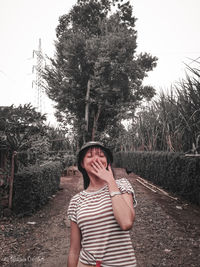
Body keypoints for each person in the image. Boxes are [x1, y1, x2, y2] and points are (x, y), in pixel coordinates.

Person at [67, 141, 137, 267]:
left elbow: (126, 222)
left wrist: (110, 180)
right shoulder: (76, 201)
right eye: (89, 156)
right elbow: (74, 250)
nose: (96, 159)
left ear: (107, 162)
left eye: (101, 155)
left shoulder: (122, 185)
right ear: (82, 164)